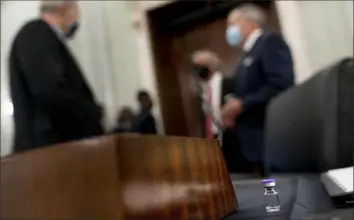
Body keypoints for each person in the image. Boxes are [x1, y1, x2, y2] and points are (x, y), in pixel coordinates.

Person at [9, 0, 103, 153]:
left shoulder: (44, 38)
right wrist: (91, 116)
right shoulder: (36, 33)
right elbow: (51, 90)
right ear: (67, 8)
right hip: (49, 151)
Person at [221, 4, 294, 176]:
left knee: (278, 195)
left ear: (248, 22)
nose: (230, 30)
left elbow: (281, 84)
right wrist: (233, 106)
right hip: (253, 142)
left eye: (232, 24)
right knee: (267, 195)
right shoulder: (245, 55)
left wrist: (243, 104)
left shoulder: (270, 42)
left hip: (270, 134)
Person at [191, 50, 248, 173]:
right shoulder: (202, 93)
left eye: (200, 65)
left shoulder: (231, 83)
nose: (197, 69)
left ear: (211, 65)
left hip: (234, 146)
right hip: (212, 148)